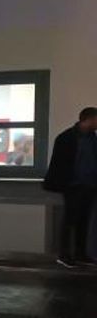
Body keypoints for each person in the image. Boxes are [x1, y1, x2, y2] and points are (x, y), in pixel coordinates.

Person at [45, 107, 97, 268]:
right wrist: (66, 183)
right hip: (73, 186)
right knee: (70, 221)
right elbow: (59, 164)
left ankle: (80, 254)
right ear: (88, 119)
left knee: (84, 221)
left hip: (89, 185)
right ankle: (64, 255)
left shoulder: (92, 138)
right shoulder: (66, 138)